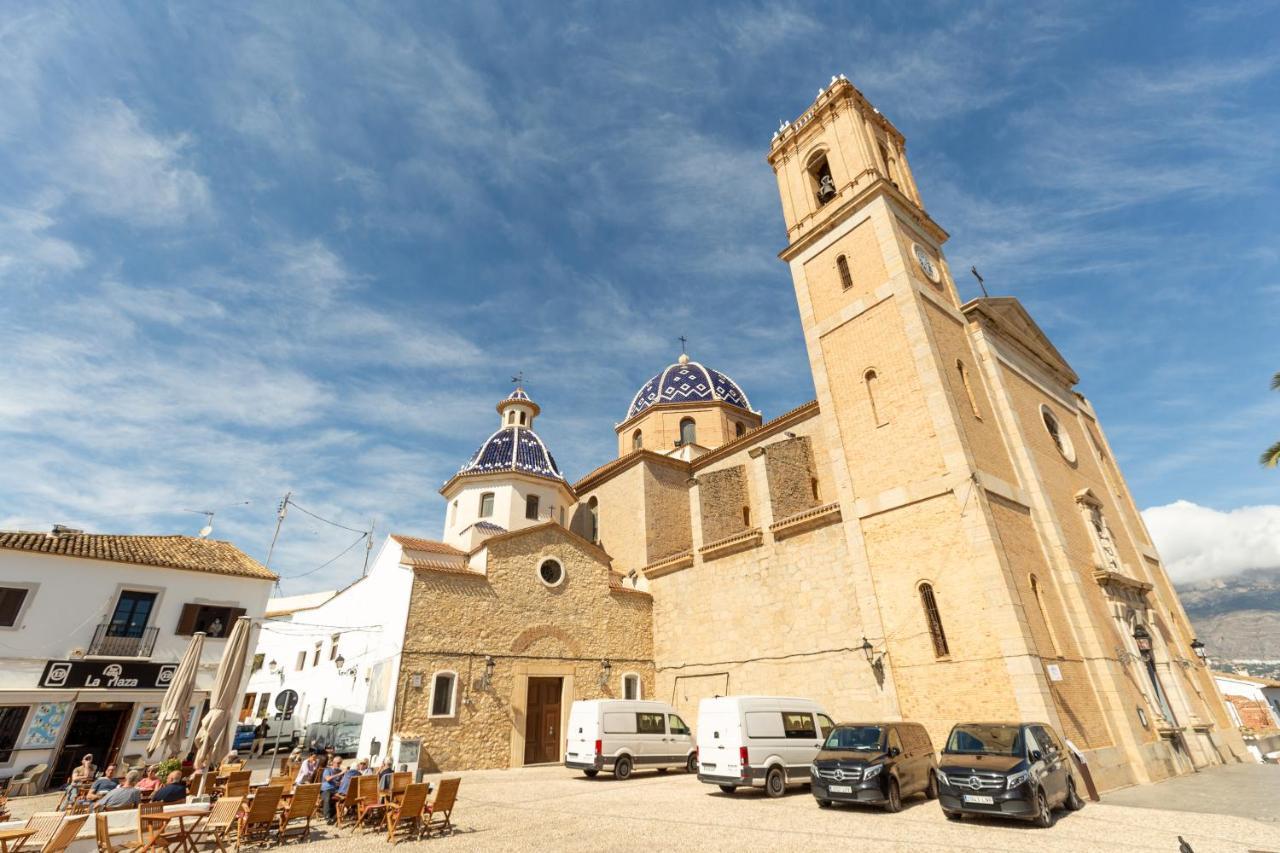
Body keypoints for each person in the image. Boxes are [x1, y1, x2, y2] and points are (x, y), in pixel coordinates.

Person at [320, 757, 344, 823]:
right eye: (338, 763)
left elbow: (340, 781)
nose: (339, 765)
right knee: (327, 798)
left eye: (340, 763)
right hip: (326, 789)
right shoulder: (327, 770)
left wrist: (341, 780)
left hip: (335, 789)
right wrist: (339, 774)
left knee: (344, 796)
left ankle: (335, 815)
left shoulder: (339, 770)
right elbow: (328, 779)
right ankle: (327, 817)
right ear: (333, 763)